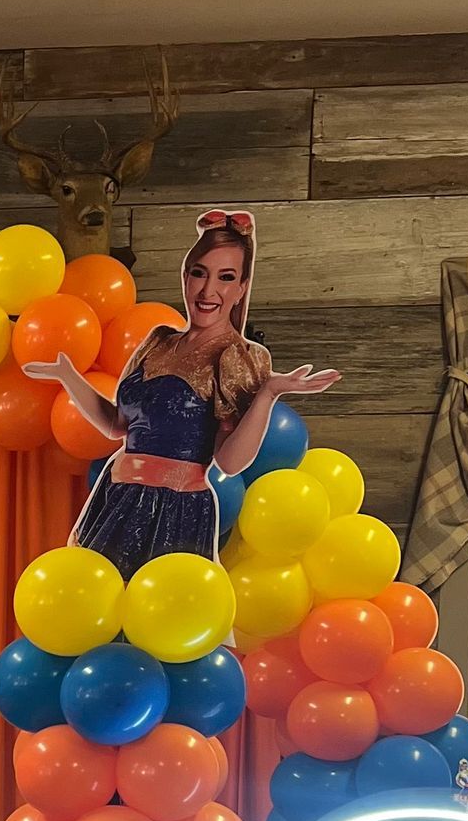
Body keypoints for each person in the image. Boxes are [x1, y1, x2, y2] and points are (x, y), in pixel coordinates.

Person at [20, 212, 339, 580]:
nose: (208, 291)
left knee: (159, 621)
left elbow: (230, 462)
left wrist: (267, 394)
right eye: (200, 273)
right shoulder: (157, 341)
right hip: (116, 499)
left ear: (241, 288)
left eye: (226, 277)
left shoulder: (237, 357)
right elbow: (115, 425)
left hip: (174, 511)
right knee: (94, 613)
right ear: (186, 276)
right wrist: (69, 377)